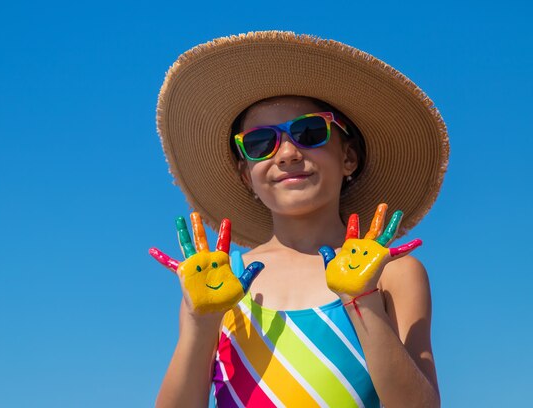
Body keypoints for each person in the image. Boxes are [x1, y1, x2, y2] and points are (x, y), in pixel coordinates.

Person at [150, 31, 449, 408]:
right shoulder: (220, 281)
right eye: (261, 143)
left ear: (348, 158)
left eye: (309, 133)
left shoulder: (393, 274)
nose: (288, 153)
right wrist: (200, 323)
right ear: (247, 175)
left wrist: (362, 302)